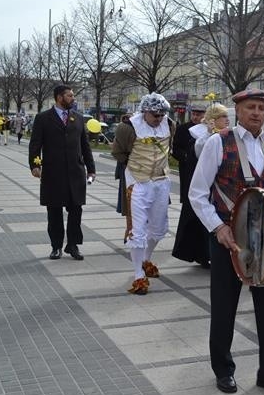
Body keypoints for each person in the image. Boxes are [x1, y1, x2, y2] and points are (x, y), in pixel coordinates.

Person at [189, 88, 264, 395]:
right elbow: (197, 193)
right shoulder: (218, 142)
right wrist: (218, 228)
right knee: (225, 306)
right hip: (227, 238)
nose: (257, 113)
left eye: (262, 108)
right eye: (251, 107)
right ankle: (223, 369)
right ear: (239, 110)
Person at [111, 93, 175, 295]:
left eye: (161, 115)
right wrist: (135, 167)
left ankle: (146, 259)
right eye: (155, 115)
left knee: (158, 227)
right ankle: (138, 274)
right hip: (138, 183)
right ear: (145, 112)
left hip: (161, 181)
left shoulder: (169, 124)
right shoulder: (128, 127)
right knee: (137, 230)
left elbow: (169, 148)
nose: (159, 118)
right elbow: (118, 153)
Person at [28, 85, 96, 260]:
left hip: (76, 172)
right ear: (59, 97)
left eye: (73, 95)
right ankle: (56, 246)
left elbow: (85, 146)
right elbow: (35, 145)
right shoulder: (43, 118)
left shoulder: (79, 118)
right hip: (53, 173)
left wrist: (91, 169)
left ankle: (72, 245)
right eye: (70, 95)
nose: (73, 98)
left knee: (76, 210)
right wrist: (35, 165)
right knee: (54, 211)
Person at [171, 106, 210, 268]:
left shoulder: (209, 131)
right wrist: (186, 156)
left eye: (199, 114)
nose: (196, 116)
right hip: (189, 172)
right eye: (194, 114)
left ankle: (203, 253)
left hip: (205, 175)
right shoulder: (183, 129)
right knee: (190, 210)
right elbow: (175, 149)